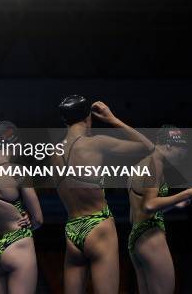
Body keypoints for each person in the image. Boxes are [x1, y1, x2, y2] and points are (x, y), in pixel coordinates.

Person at [54, 95, 153, 294]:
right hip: (99, 227)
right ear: (87, 117)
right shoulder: (97, 143)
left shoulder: (54, 153)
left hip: (72, 230)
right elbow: (148, 147)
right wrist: (112, 119)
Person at [0, 121, 42, 294]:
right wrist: (29, 219)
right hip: (18, 246)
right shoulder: (17, 171)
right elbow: (38, 219)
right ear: (15, 142)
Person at [128, 125, 192, 294]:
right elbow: (150, 205)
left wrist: (174, 204)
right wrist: (186, 193)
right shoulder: (155, 164)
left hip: (136, 238)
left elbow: (143, 207)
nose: (180, 158)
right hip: (152, 238)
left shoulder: (141, 165)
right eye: (181, 153)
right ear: (170, 146)